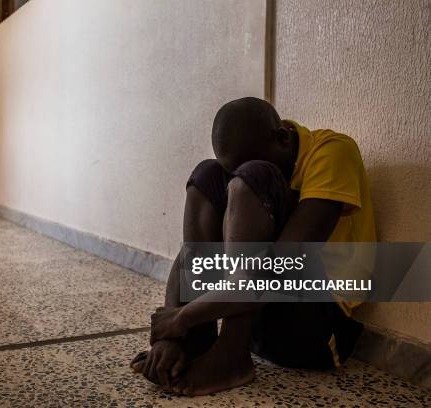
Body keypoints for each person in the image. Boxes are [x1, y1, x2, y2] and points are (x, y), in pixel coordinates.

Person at [130, 97, 376, 396]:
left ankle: (232, 355)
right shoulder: (263, 156)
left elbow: (278, 266)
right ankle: (198, 344)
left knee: (256, 176)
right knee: (207, 174)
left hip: (318, 330)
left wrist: (182, 317)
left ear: (283, 138)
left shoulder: (334, 151)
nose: (239, 180)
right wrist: (171, 333)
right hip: (257, 319)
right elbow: (190, 251)